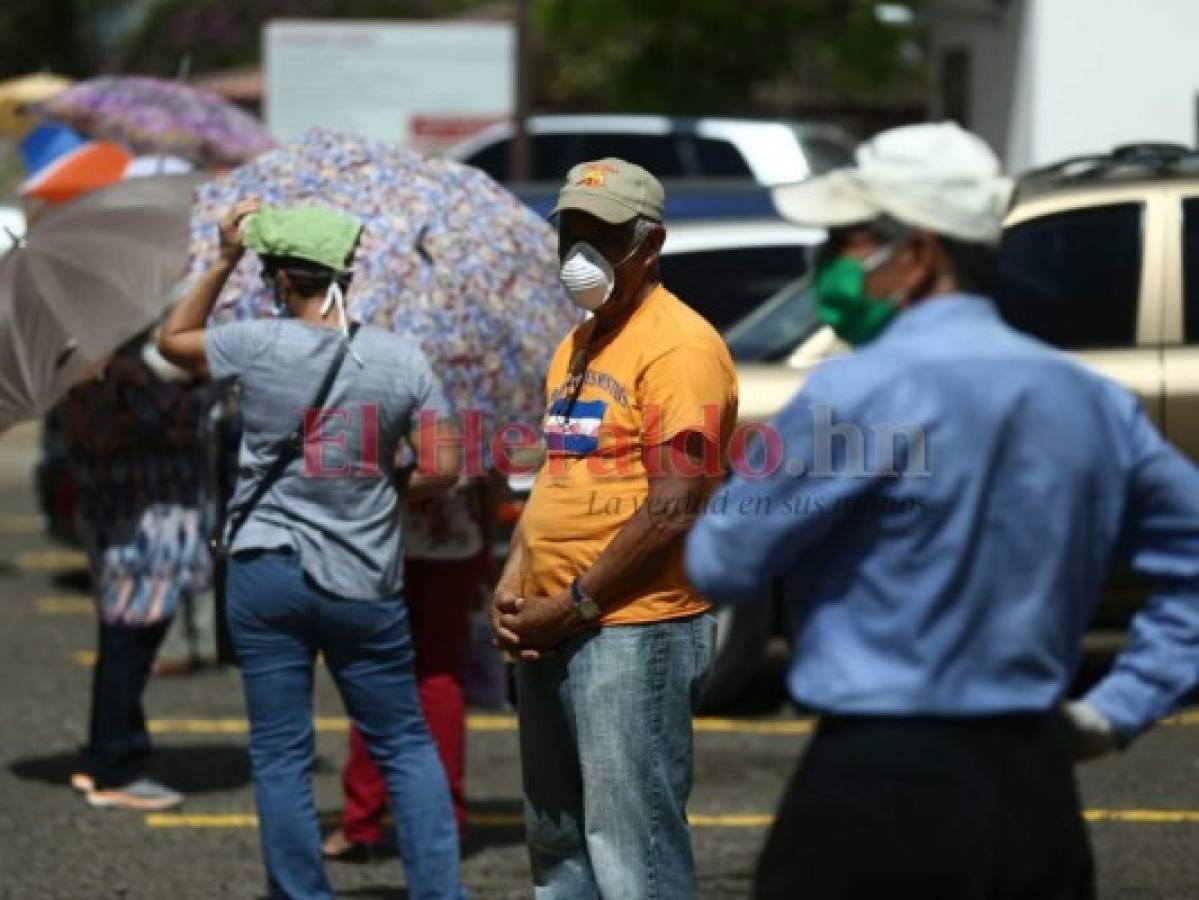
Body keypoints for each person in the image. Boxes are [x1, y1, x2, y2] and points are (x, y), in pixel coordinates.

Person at [684, 122, 1199, 900]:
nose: (829, 261)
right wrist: (1116, 708)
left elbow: (722, 558)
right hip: (1034, 779)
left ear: (916, 252)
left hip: (875, 785)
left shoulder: (852, 393)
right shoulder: (1091, 400)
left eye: (847, 241)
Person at [158, 202, 466, 900]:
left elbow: (172, 340)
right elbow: (445, 466)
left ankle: (301, 893)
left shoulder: (258, 343)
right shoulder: (398, 357)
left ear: (277, 279)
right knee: (402, 742)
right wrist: (383, 482)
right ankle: (439, 892)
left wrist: (224, 256)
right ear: (344, 275)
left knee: (279, 751)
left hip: (264, 568)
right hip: (362, 577)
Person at [490, 158, 738, 899]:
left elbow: (674, 503)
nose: (578, 254)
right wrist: (511, 585)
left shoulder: (680, 348)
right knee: (559, 847)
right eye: (569, 232)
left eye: (599, 237)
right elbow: (560, 480)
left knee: (634, 854)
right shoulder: (582, 342)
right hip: (558, 626)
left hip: (629, 630)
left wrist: (572, 606)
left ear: (649, 244)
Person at [66, 333, 217, 811]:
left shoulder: (84, 377)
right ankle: (116, 763)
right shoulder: (115, 380)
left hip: (117, 523)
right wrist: (209, 384)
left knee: (123, 641)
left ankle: (107, 753)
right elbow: (183, 422)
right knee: (129, 644)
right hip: (143, 529)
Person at [323, 483, 493, 858]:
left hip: (380, 539)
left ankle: (362, 820)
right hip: (455, 536)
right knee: (440, 677)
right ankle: (445, 820)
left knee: (373, 675)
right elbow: (489, 470)